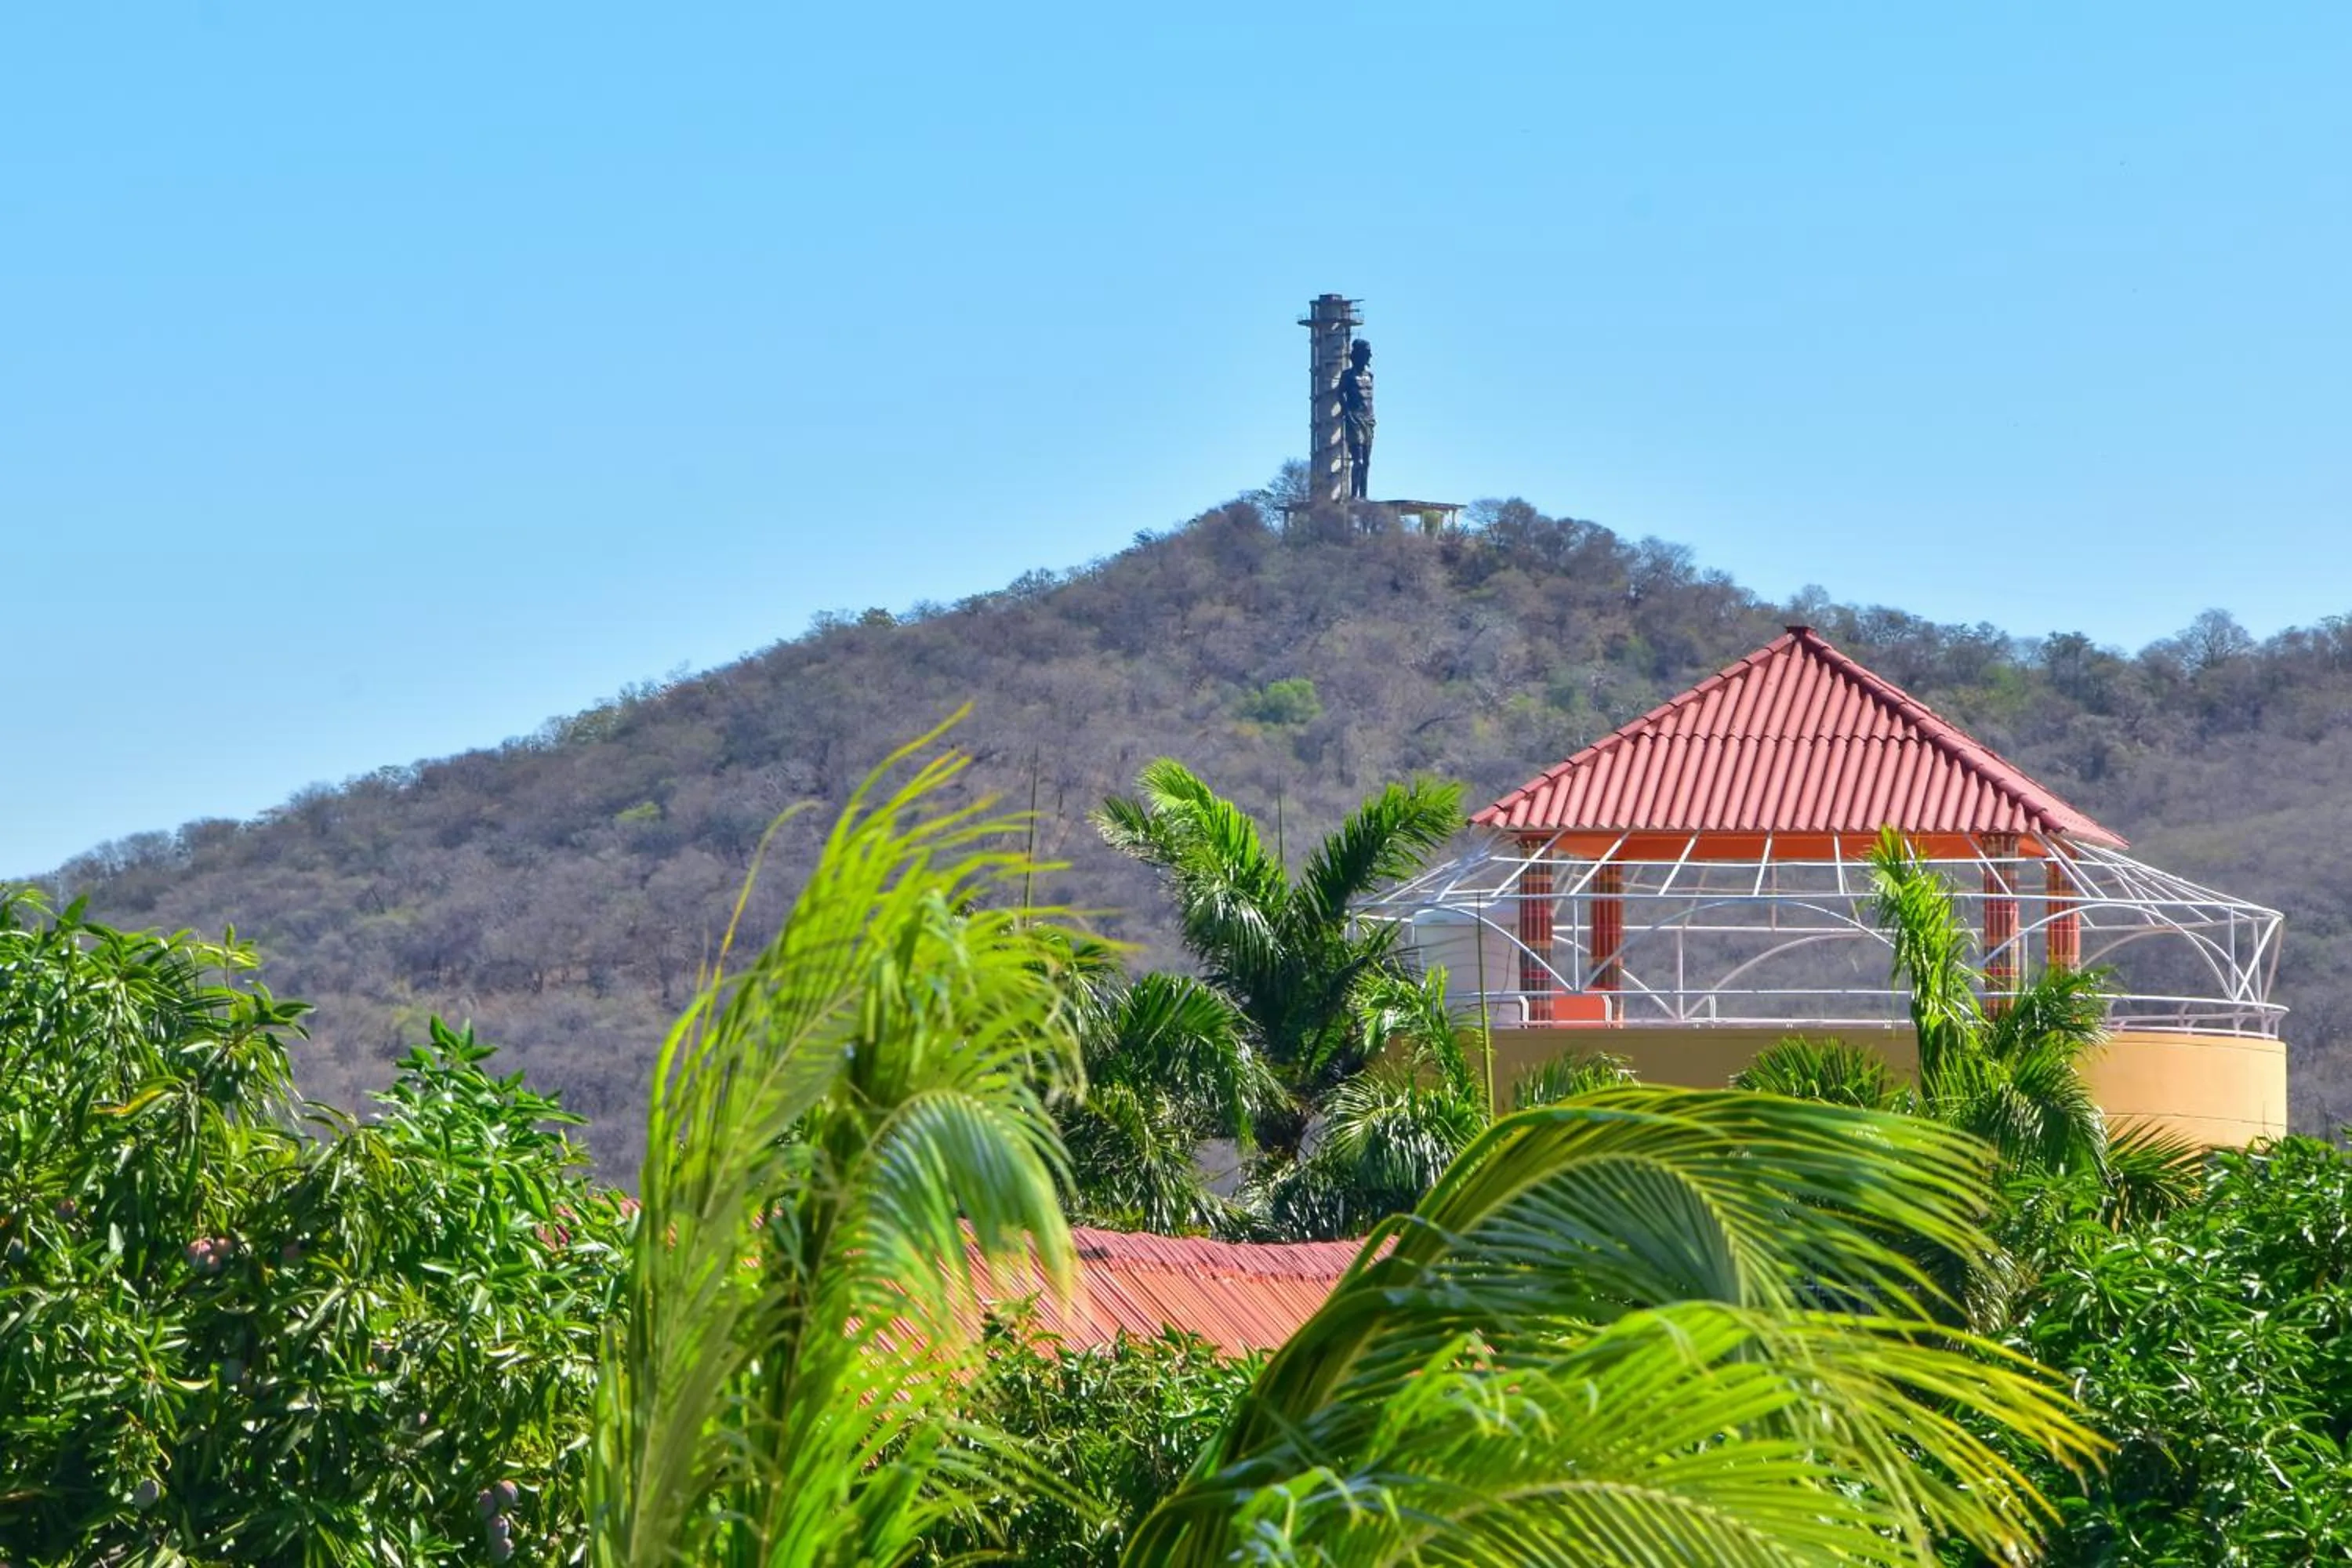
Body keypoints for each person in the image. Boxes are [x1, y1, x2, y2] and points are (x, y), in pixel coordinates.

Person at [1338, 338, 1374, 499]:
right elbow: (1340, 393)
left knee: (1366, 462)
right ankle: (1353, 496)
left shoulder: (1370, 376)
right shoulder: (1347, 375)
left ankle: (1363, 496)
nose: (1367, 357)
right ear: (1357, 355)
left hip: (1369, 420)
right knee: (1358, 462)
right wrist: (1347, 412)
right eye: (1365, 354)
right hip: (1354, 419)